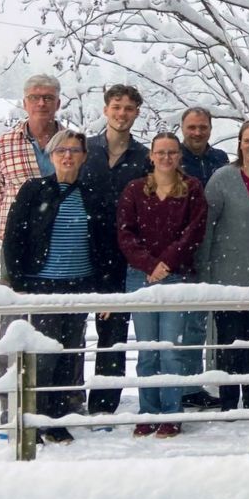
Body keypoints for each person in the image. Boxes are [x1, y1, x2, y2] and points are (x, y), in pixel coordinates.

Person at [2, 129, 108, 444]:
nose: (68, 156)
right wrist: (18, 283)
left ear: (84, 157)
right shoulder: (34, 190)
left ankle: (57, 421)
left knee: (68, 356)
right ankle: (32, 421)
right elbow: (14, 238)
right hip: (41, 286)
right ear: (51, 155)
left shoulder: (91, 193)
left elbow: (103, 246)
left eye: (75, 150)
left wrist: (103, 291)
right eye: (61, 150)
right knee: (42, 357)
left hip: (77, 287)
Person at [118, 132, 207, 438]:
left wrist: (165, 264)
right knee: (147, 351)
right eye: (161, 152)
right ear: (151, 156)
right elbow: (125, 234)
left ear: (179, 157)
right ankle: (147, 411)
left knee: (171, 349)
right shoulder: (134, 190)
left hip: (177, 275)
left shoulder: (192, 189)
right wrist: (148, 265)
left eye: (172, 152)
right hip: (139, 277)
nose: (166, 157)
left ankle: (171, 413)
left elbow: (193, 233)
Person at [0, 74, 63, 423]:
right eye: (35, 97)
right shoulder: (3, 145)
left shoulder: (71, 143)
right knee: (13, 329)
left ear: (58, 103)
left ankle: (57, 406)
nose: (41, 103)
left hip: (61, 251)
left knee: (59, 327)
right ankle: (12, 407)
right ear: (25, 101)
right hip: (15, 251)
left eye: (48, 97)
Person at [81, 84, 152, 418]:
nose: (122, 113)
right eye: (116, 106)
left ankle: (104, 407)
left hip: (122, 254)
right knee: (71, 328)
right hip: (80, 250)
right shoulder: (84, 149)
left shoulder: (143, 157)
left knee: (114, 333)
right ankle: (65, 400)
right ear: (106, 109)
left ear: (137, 113)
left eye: (128, 108)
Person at [198, 120, 249, 411]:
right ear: (239, 144)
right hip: (226, 273)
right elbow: (207, 228)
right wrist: (204, 271)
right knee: (229, 340)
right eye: (247, 141)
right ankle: (229, 399)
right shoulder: (222, 178)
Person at [180, 107, 229, 410]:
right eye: (192, 127)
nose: (197, 132)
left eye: (202, 127)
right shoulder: (173, 156)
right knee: (180, 324)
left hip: (216, 248)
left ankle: (198, 384)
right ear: (183, 128)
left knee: (201, 323)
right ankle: (179, 386)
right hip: (182, 249)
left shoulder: (220, 160)